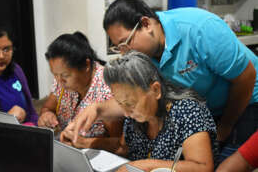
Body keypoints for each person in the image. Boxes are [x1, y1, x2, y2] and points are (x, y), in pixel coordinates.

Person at [102, 0, 258, 163]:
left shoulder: (200, 29)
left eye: (125, 42)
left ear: (146, 24)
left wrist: (225, 127)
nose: (125, 53)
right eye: (118, 48)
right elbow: (134, 99)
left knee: (228, 164)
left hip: (246, 100)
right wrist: (97, 110)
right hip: (207, 108)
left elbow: (246, 77)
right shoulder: (146, 55)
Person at [69, 51, 218, 172]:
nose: (126, 113)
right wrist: (83, 143)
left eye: (130, 103)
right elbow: (123, 148)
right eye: (121, 104)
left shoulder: (187, 111)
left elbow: (203, 167)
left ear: (155, 90)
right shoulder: (135, 116)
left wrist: (146, 165)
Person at [38, 31, 122, 149]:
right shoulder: (60, 80)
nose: (59, 81)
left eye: (65, 75)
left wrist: (85, 143)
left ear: (86, 65)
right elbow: (48, 107)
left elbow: (121, 145)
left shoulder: (107, 88)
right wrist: (46, 114)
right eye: (55, 75)